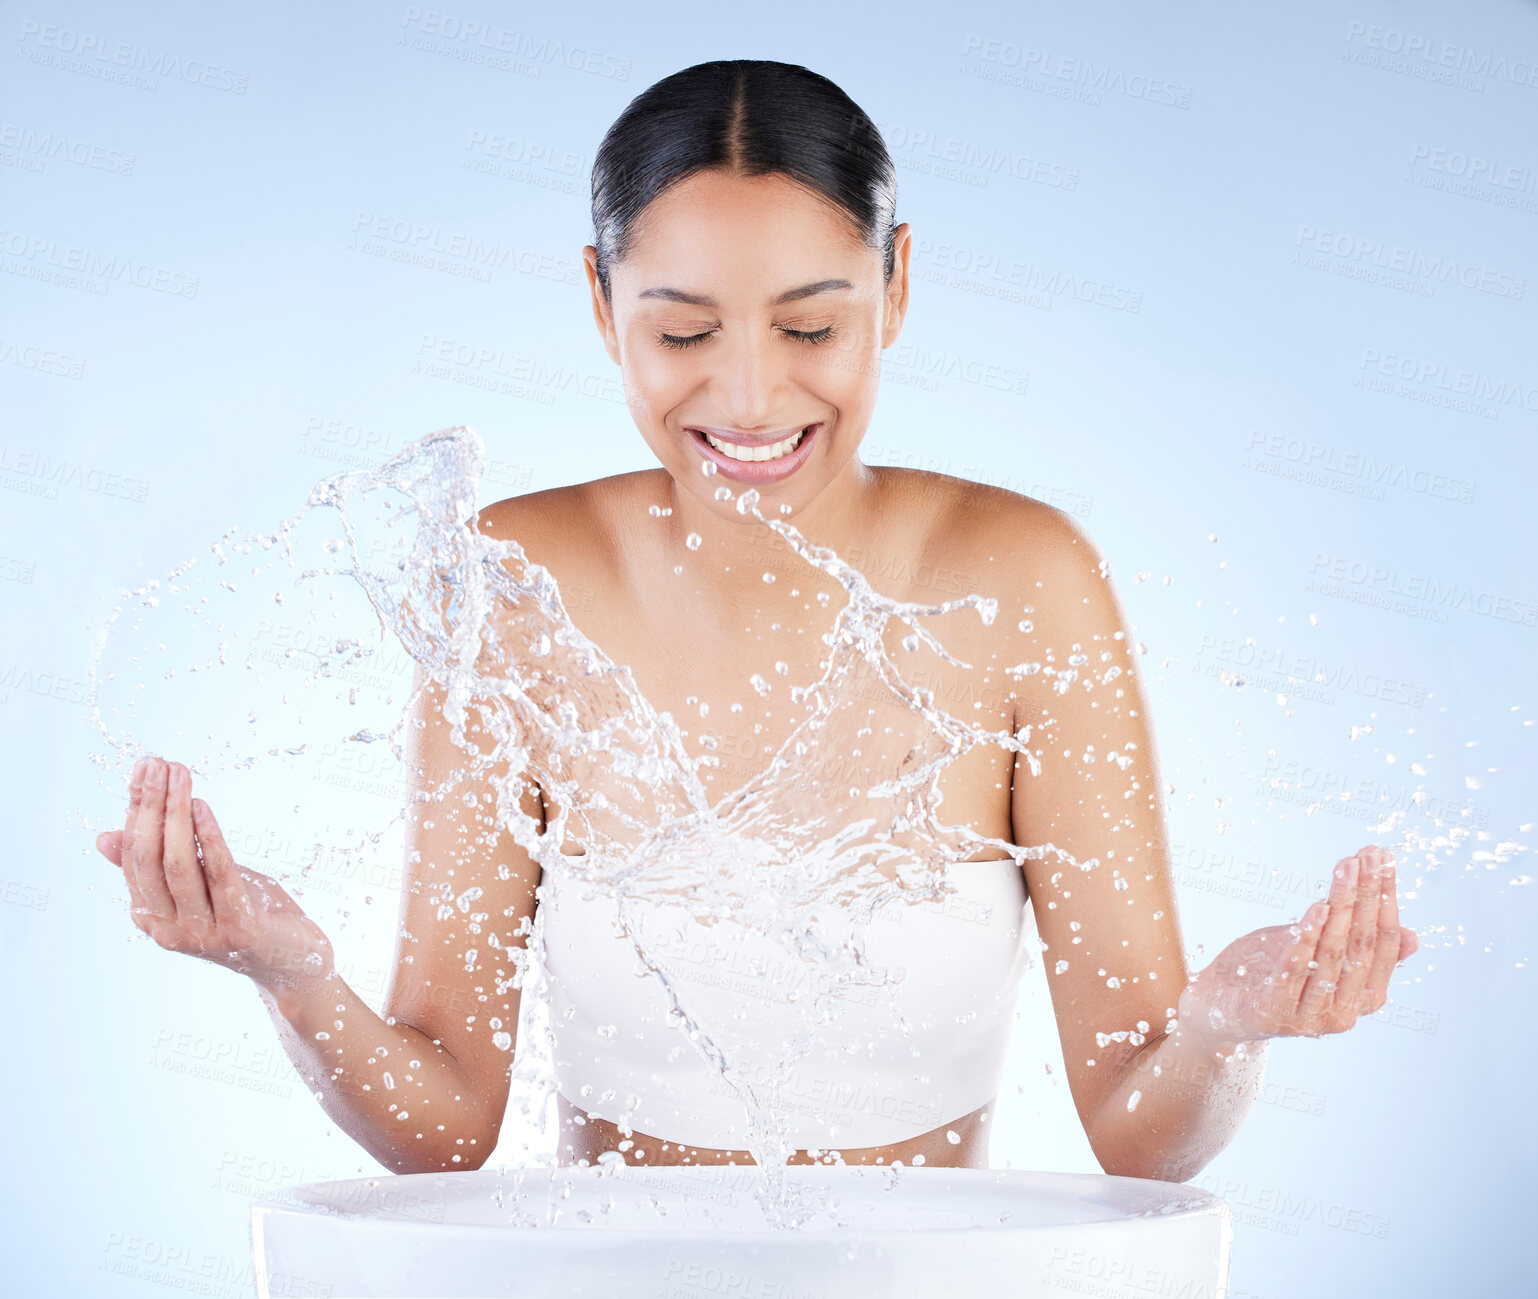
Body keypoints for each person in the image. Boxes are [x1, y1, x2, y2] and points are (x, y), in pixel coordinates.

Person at [95, 59, 1419, 1179]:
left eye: (807, 328)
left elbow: (1142, 1134)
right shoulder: (515, 584)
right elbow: (441, 1125)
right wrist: (291, 976)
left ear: (894, 290)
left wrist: (1223, 1031)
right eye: (681, 335)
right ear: (601, 302)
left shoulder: (1023, 580)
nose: (746, 398)